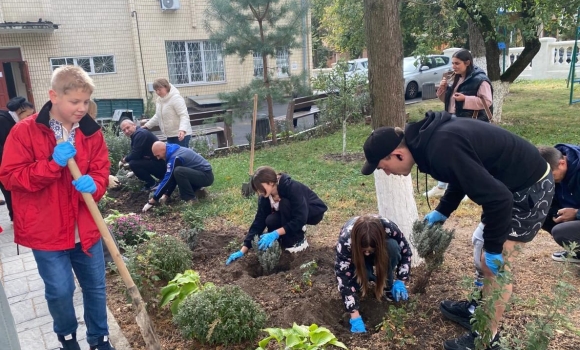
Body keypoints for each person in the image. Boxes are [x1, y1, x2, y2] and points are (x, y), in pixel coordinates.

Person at [360, 111, 554, 350]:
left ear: (397, 154)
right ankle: (476, 309)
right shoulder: (428, 143)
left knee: (495, 266)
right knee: (479, 244)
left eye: (383, 167)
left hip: (528, 190)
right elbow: (461, 172)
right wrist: (443, 210)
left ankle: (486, 338)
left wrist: (494, 251)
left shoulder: (440, 148)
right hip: (508, 185)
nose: (387, 173)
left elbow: (500, 199)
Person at [0, 66, 114, 350]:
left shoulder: (91, 132)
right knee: (60, 291)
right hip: (46, 232)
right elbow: (11, 177)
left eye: (85, 102)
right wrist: (52, 165)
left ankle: (99, 339)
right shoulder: (25, 132)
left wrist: (95, 185)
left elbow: (101, 170)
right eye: (75, 102)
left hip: (86, 228)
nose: (81, 108)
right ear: (53, 96)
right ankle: (67, 339)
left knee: (96, 289)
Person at [425, 49, 493, 198]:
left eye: (457, 63)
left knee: (467, 156)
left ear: (467, 63)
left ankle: (471, 188)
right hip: (451, 120)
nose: (454, 66)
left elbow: (487, 102)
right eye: (453, 63)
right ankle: (441, 186)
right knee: (444, 152)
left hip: (469, 123)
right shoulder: (455, 77)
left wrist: (465, 99)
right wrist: (443, 89)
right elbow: (448, 102)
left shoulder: (480, 79)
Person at [226, 166, 328, 264]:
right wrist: (243, 249)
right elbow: (258, 222)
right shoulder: (264, 198)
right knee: (270, 220)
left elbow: (300, 218)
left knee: (284, 204)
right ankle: (282, 240)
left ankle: (297, 240)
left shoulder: (291, 187)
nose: (258, 192)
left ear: (270, 183)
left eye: (259, 187)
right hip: (293, 214)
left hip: (311, 212)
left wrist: (275, 233)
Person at [335, 215, 411, 333]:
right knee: (359, 275)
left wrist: (401, 280)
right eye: (364, 250)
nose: (366, 254)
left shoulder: (389, 228)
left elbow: (406, 252)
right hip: (355, 256)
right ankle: (360, 283)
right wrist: (354, 315)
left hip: (382, 251)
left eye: (370, 250)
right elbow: (343, 276)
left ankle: (387, 285)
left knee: (392, 247)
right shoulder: (346, 240)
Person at [142, 141, 213, 211]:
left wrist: (152, 200)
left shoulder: (174, 157)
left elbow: (168, 179)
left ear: (163, 150)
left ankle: (191, 200)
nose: (158, 158)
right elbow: (173, 177)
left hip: (206, 176)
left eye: (158, 155)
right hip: (199, 174)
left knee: (179, 171)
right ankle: (197, 191)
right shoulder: (171, 150)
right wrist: (166, 194)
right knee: (177, 172)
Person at [538, 144, 580, 263]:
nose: (549, 180)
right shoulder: (554, 170)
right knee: (541, 211)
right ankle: (577, 252)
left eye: (552, 175)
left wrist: (576, 214)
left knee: (561, 232)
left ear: (562, 163)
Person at [0, 97, 35, 221]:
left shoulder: (13, 121)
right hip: (4, 165)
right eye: (28, 115)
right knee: (9, 191)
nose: (30, 118)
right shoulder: (3, 121)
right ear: (19, 112)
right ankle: (15, 218)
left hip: (9, 163)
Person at [142, 78, 192, 147]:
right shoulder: (159, 100)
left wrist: (182, 130)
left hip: (181, 135)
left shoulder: (176, 98)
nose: (157, 92)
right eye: (156, 90)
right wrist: (147, 126)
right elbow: (158, 116)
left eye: (159, 89)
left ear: (166, 87)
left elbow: (184, 115)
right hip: (170, 135)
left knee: (181, 156)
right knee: (172, 156)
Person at [119, 119, 165, 192]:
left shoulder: (140, 134)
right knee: (134, 163)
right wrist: (134, 172)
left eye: (128, 128)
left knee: (133, 163)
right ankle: (155, 183)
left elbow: (135, 154)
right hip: (157, 163)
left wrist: (124, 160)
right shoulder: (138, 134)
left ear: (134, 125)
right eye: (124, 130)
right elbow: (140, 155)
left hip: (161, 165)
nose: (126, 131)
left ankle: (152, 184)